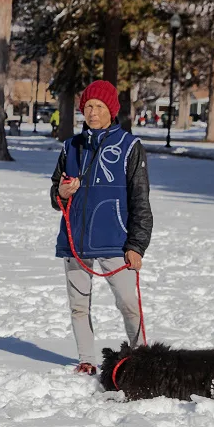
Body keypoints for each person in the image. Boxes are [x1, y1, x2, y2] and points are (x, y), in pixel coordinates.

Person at [49, 79, 153, 375]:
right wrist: (62, 193)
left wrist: (137, 245)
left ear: (112, 110)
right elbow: (55, 195)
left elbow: (140, 201)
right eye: (88, 106)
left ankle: (141, 360)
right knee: (78, 306)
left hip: (115, 242)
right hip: (75, 242)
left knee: (128, 304)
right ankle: (86, 359)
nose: (92, 112)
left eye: (99, 106)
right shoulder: (72, 146)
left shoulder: (130, 146)